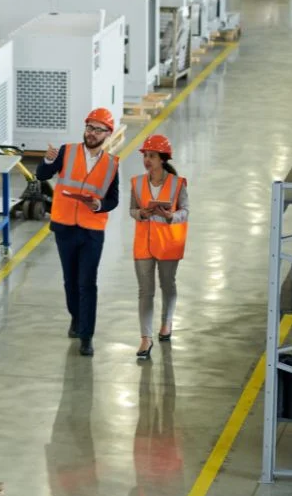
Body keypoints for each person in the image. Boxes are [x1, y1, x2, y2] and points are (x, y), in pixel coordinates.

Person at [36, 108, 121, 357]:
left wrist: (99, 205)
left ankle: (86, 335)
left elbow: (113, 199)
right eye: (89, 128)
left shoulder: (111, 164)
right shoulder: (66, 152)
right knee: (70, 281)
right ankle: (75, 316)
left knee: (88, 283)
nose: (91, 133)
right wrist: (48, 161)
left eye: (97, 129)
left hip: (92, 231)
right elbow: (42, 175)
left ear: (107, 134)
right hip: (64, 227)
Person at [130, 134, 188, 360]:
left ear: (162, 159)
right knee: (145, 291)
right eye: (145, 155)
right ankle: (145, 337)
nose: (147, 160)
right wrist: (141, 213)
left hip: (167, 244)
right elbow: (132, 210)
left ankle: (166, 322)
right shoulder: (136, 183)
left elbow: (186, 211)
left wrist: (171, 216)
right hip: (143, 244)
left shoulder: (177, 184)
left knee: (167, 284)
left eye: (152, 156)